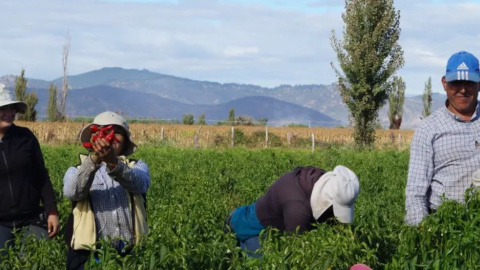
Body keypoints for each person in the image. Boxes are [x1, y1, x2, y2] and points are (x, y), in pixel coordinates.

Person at [63, 111, 150, 269]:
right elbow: (72, 192)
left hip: (128, 256)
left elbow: (140, 184)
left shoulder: (137, 166)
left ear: (125, 141)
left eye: (117, 133)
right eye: (102, 132)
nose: (109, 136)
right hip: (87, 256)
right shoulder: (76, 170)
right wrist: (94, 161)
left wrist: (113, 163)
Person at [405, 51, 480, 226]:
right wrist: (423, 233)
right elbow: (416, 190)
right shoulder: (429, 129)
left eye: (469, 82)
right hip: (447, 225)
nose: (463, 89)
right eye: (456, 83)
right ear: (445, 83)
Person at [224, 165, 360, 257]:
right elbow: (295, 251)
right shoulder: (297, 209)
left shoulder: (321, 179)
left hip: (270, 218)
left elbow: (332, 218)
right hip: (251, 229)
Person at [0, 83, 59, 257]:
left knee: (33, 261)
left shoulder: (25, 137)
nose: (10, 113)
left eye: (13, 109)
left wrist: (52, 211)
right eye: (4, 108)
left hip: (31, 217)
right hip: (1, 223)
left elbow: (41, 175)